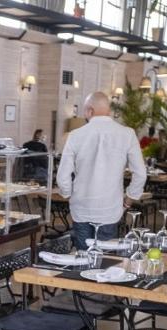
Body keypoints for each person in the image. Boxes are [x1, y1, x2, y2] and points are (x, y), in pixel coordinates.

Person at [56, 91, 146, 249]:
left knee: (83, 257)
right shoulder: (127, 134)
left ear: (90, 111)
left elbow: (63, 174)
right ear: (109, 110)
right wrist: (129, 198)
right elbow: (140, 173)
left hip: (81, 206)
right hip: (110, 207)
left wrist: (68, 194)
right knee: (104, 260)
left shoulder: (76, 135)